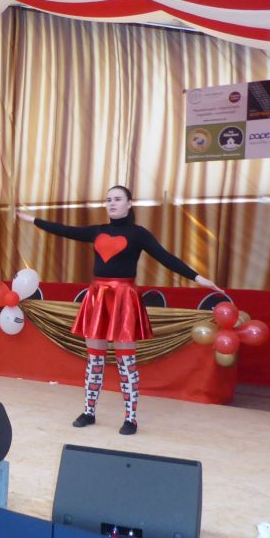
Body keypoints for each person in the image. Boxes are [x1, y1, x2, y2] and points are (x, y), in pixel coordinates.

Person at [17, 185, 222, 434]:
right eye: (108, 200)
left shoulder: (138, 234)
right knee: (95, 359)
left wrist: (198, 278)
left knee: (126, 362)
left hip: (124, 299)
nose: (111, 203)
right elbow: (65, 230)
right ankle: (89, 411)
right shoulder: (98, 231)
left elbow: (166, 258)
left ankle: (131, 418)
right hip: (98, 298)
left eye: (117, 199)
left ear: (129, 203)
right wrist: (33, 220)